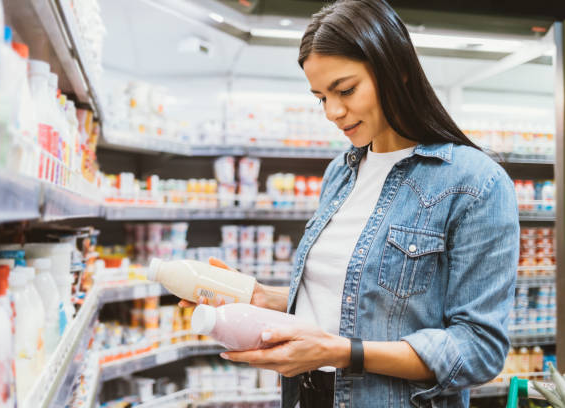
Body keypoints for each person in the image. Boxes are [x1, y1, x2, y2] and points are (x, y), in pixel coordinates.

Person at [181, 0, 519, 406]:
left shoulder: (475, 183)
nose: (333, 112)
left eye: (345, 90)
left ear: (399, 72)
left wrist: (341, 352)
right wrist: (263, 298)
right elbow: (353, 297)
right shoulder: (339, 174)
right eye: (321, 97)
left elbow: (479, 350)